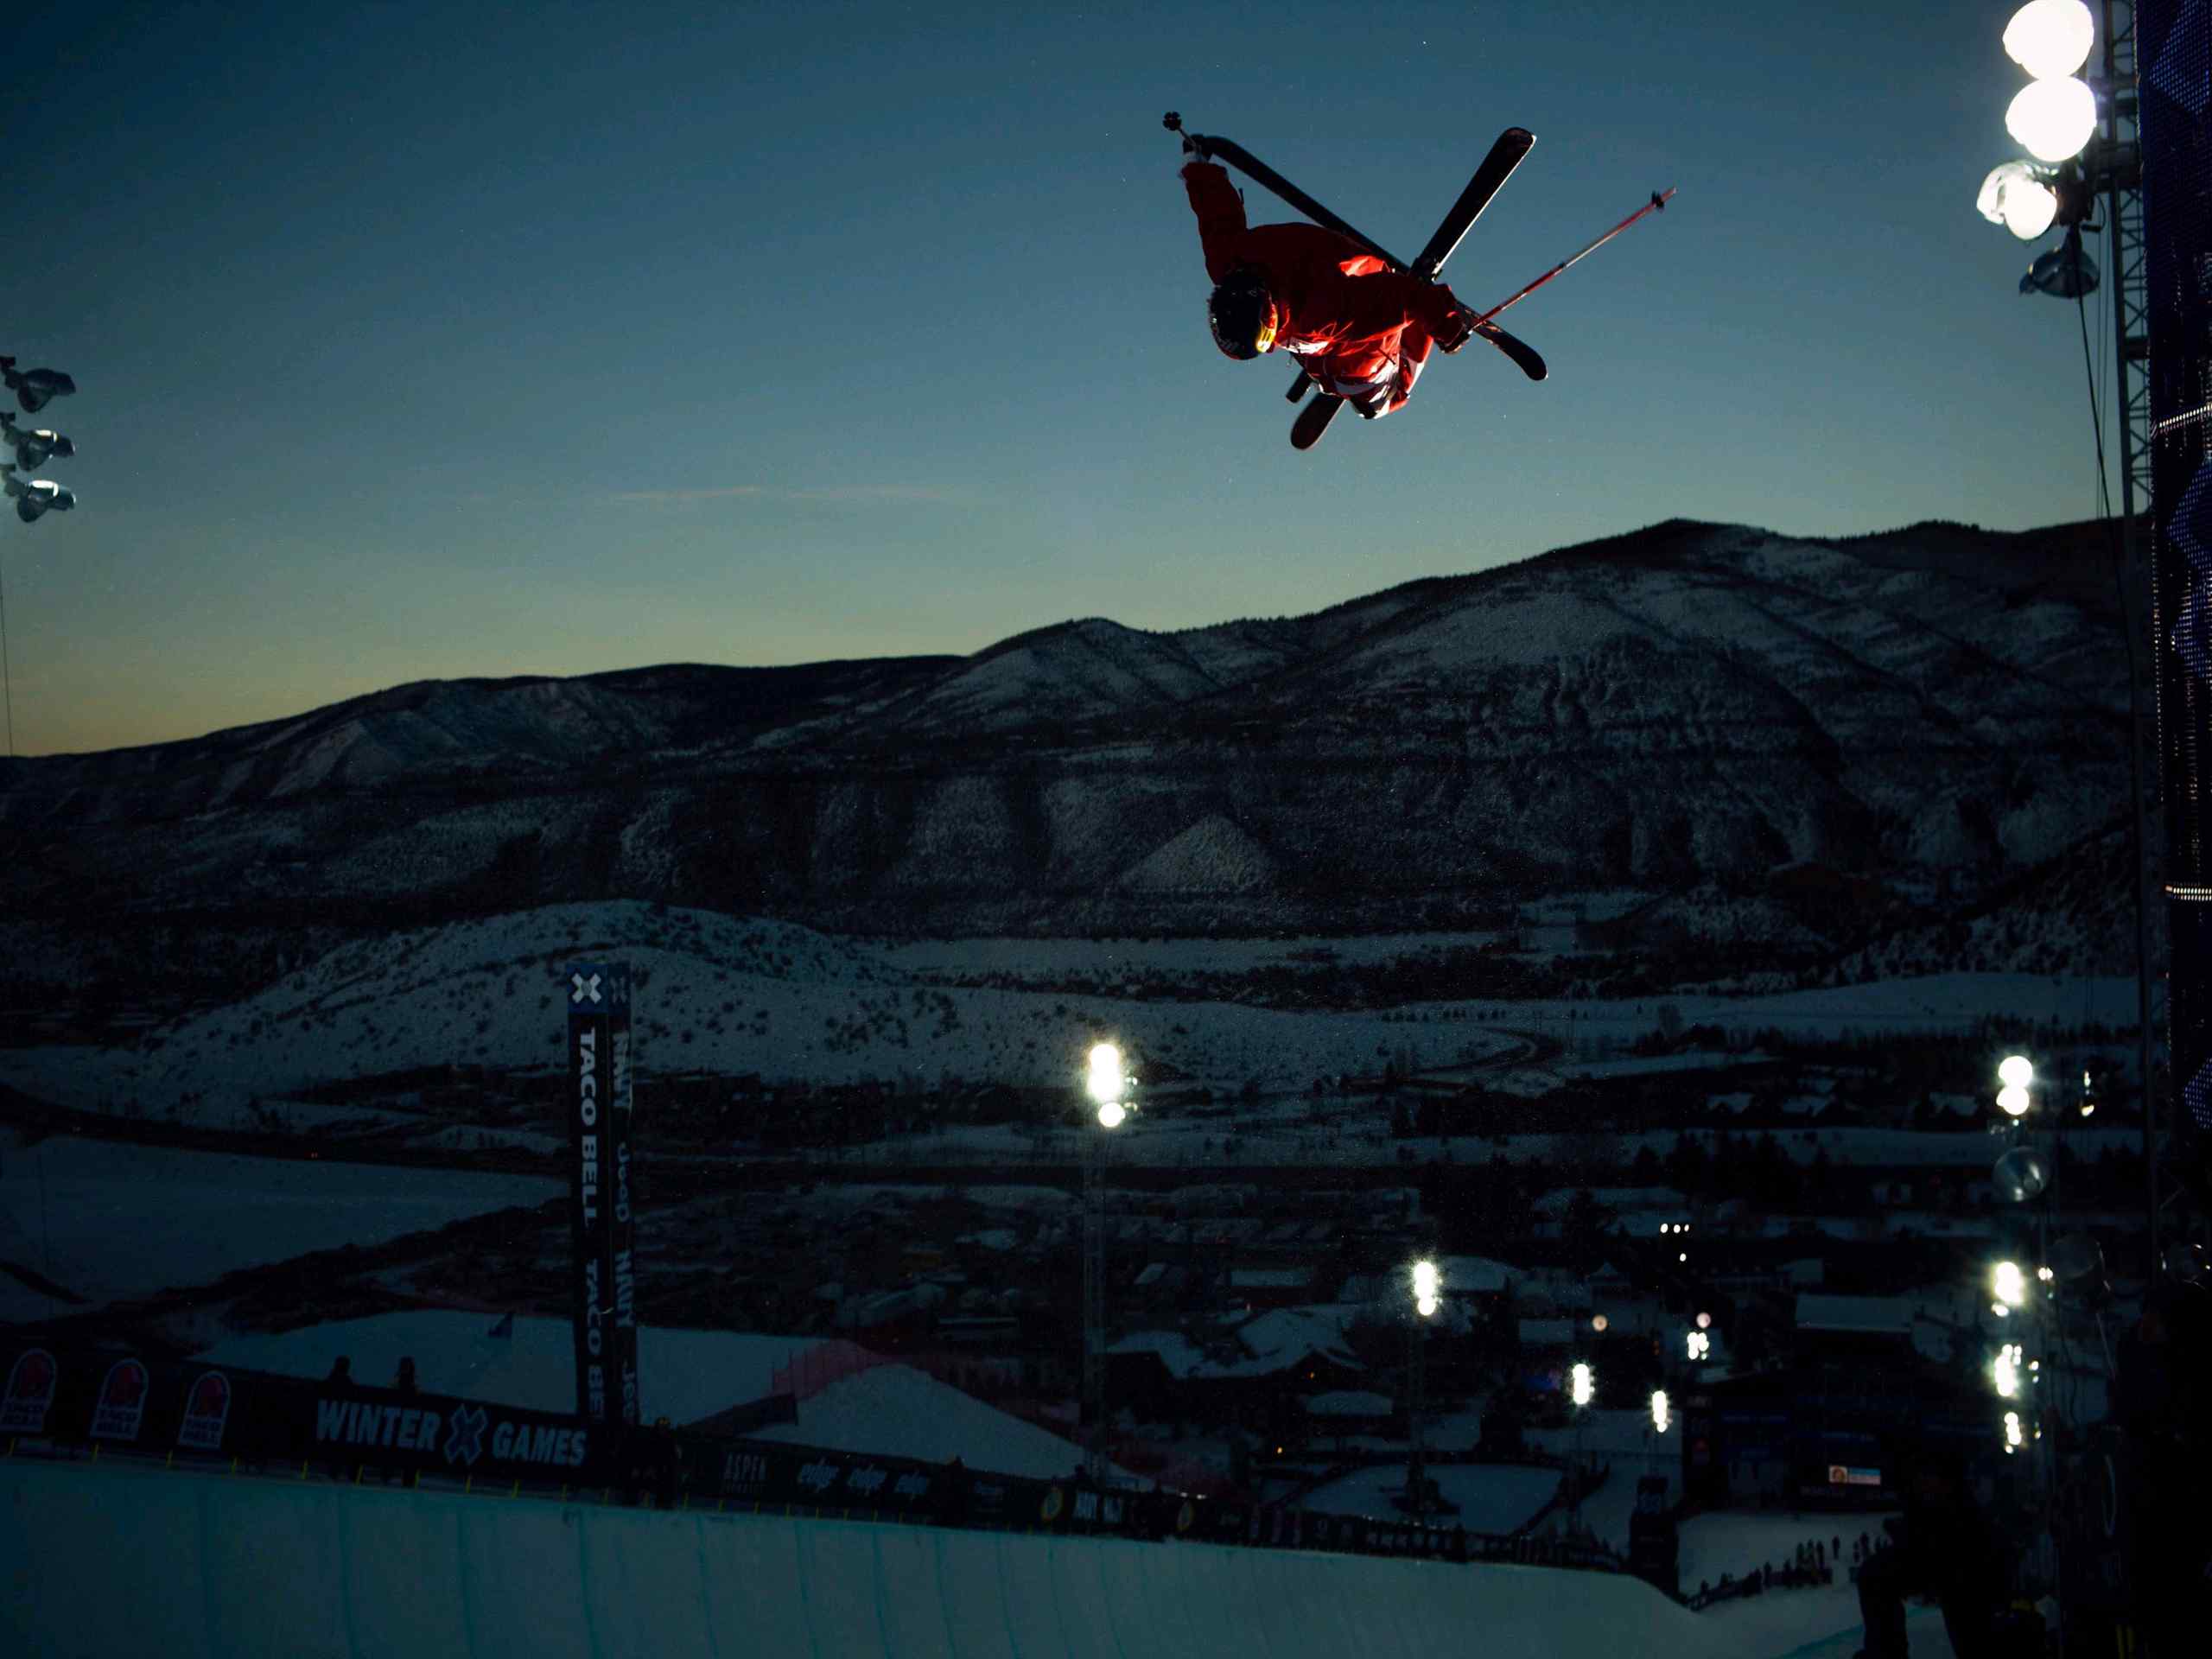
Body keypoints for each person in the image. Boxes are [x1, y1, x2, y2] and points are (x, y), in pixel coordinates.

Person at [1177, 134, 1473, 421]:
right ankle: (1325, 374)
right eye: (1263, 343)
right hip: (1320, 325)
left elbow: (1407, 298)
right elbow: (1217, 215)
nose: (1268, 347)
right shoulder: (1226, 261)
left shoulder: (1326, 311)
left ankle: (1363, 389)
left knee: (1381, 400)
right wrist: (1198, 165)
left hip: (1359, 347)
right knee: (1309, 347)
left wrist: (1445, 324)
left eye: (1265, 337)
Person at [1855, 1444, 2004, 1659]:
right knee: (1874, 1576)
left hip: (1961, 1565)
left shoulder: (1962, 1509)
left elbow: (1950, 1538)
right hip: (1940, 1562)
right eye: (1920, 1479)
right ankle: (1885, 1652)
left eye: (1928, 1478)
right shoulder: (1920, 1499)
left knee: (1966, 1613)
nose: (1923, 1485)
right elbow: (1921, 1537)